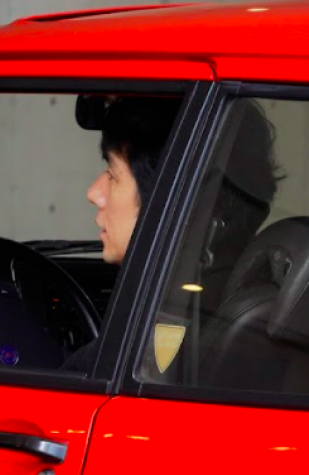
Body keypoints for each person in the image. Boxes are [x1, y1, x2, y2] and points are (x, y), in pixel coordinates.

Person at [63, 96, 280, 371]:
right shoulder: (220, 305)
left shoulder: (159, 331)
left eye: (113, 175)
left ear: (170, 202)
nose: (94, 193)